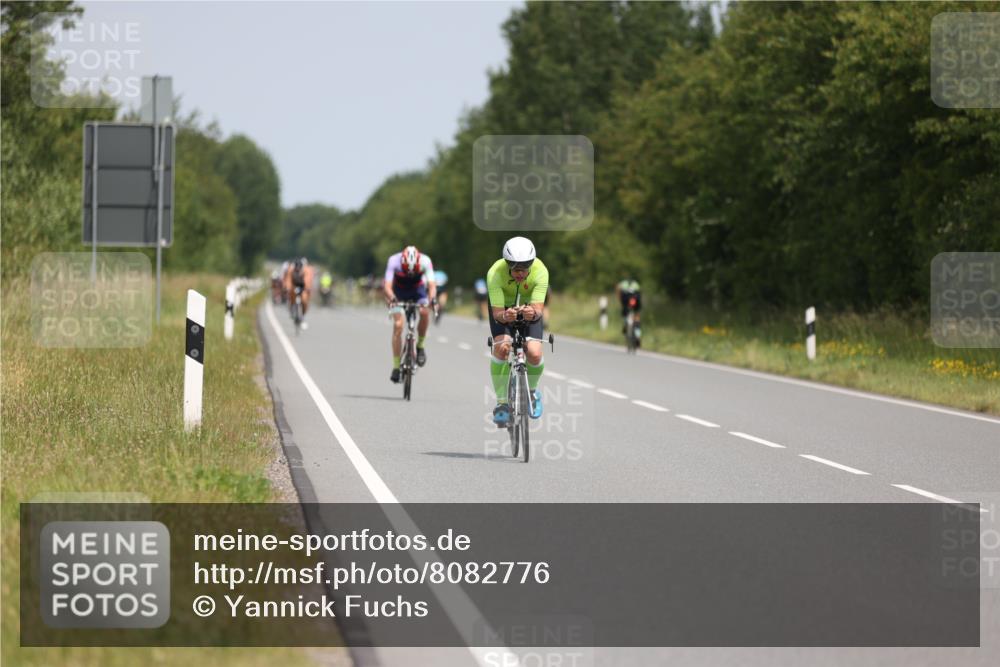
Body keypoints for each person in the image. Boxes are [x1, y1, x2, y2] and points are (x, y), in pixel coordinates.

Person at [486, 237, 548, 427]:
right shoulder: (495, 273)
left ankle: (532, 392)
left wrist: (532, 312)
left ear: (532, 263)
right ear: (507, 264)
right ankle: (502, 404)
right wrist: (506, 316)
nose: (520, 272)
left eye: (524, 267)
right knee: (502, 348)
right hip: (503, 310)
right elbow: (497, 314)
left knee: (535, 353)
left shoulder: (540, 271)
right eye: (515, 268)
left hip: (528, 309)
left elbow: (538, 308)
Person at [383, 245, 437, 383]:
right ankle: (396, 367)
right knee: (398, 325)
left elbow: (431, 286)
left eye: (413, 271)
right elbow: (387, 286)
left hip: (417, 290)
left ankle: (420, 346)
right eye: (407, 271)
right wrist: (393, 299)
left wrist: (432, 300)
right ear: (402, 263)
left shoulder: (425, 261)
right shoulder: (393, 260)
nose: (410, 274)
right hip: (398, 293)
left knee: (425, 311)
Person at [284, 257, 315, 329]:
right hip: (294, 286)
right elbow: (288, 280)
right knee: (291, 296)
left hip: (303, 287)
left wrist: (307, 287)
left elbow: (307, 280)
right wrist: (288, 287)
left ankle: (303, 316)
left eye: (299, 267)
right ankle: (292, 308)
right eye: (296, 267)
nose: (298, 268)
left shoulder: (306, 271)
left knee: (304, 300)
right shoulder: (291, 270)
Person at [616, 278, 642, 343]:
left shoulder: (622, 284)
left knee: (625, 314)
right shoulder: (636, 283)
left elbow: (619, 294)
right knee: (637, 318)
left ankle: (625, 325)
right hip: (636, 300)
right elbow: (639, 294)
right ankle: (638, 336)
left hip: (626, 300)